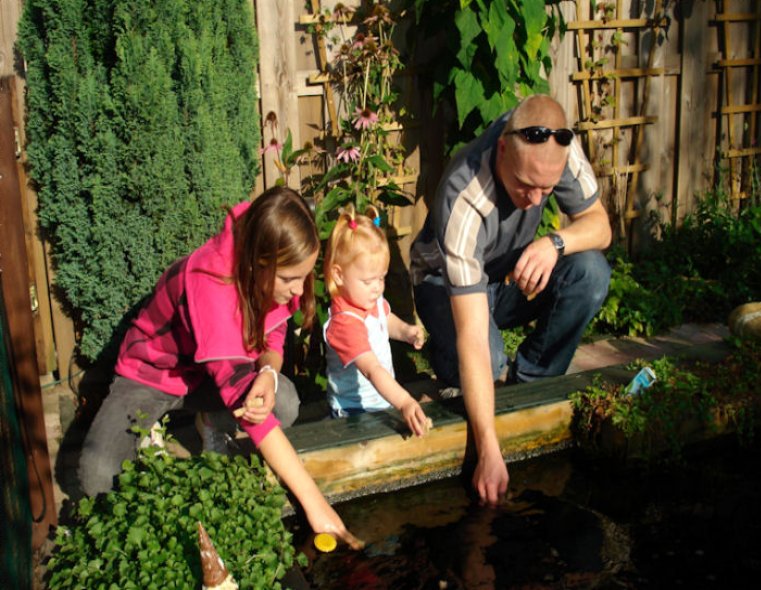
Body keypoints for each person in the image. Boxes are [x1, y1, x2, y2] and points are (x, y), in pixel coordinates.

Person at [79, 186, 361, 547]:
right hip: (152, 377)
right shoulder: (210, 285)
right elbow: (255, 420)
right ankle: (150, 427)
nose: (297, 290)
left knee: (285, 400)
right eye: (289, 279)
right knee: (98, 477)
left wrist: (269, 373)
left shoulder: (271, 263)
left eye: (303, 277)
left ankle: (208, 420)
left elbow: (273, 337)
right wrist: (316, 503)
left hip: (205, 379)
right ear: (256, 264)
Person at [409, 94, 612, 504]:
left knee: (590, 273)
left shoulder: (559, 150)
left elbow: (601, 228)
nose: (537, 200)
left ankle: (529, 386)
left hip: (503, 278)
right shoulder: (464, 196)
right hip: (442, 288)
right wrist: (488, 451)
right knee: (487, 356)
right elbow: (471, 335)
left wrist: (556, 243)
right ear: (503, 149)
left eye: (547, 189)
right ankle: (446, 358)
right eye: (526, 185)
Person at [322, 205, 430, 437]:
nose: (377, 288)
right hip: (353, 411)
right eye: (369, 281)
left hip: (381, 401)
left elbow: (385, 318)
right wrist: (404, 401)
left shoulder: (369, 300)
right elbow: (372, 369)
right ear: (339, 275)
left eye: (381, 278)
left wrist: (405, 331)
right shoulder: (345, 323)